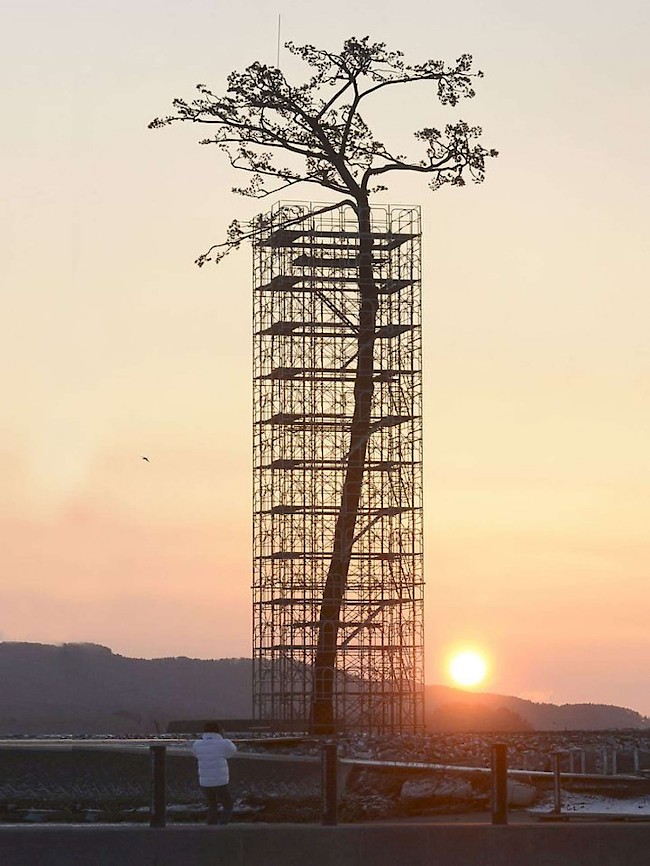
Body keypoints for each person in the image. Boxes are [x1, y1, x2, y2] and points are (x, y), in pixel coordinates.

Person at [191, 721, 238, 825]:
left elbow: (196, 755)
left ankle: (210, 828)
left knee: (212, 805)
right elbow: (232, 752)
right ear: (219, 731)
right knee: (228, 804)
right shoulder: (224, 743)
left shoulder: (197, 744)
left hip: (205, 781)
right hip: (220, 780)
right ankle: (222, 827)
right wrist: (224, 737)